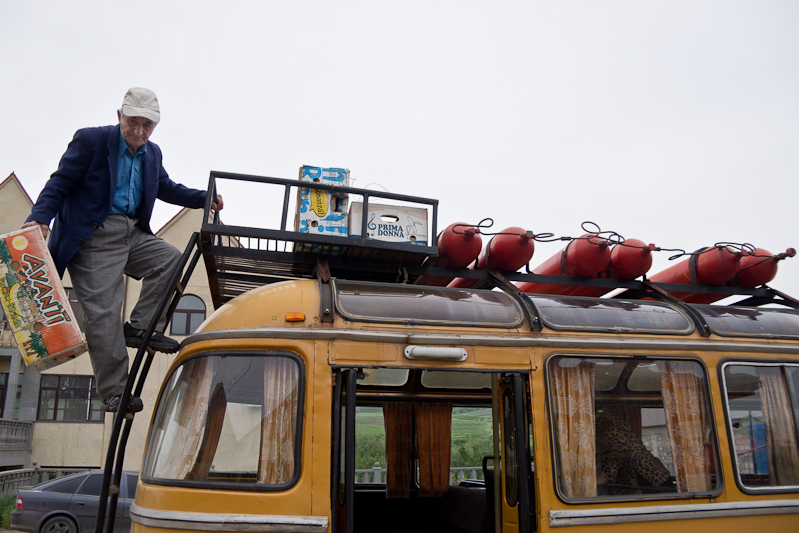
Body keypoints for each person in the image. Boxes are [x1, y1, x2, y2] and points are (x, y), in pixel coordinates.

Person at [22, 87, 223, 414]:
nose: (139, 131)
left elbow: (166, 188)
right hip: (93, 236)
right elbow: (60, 182)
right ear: (120, 117)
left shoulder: (152, 152)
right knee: (103, 314)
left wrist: (205, 198)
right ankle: (116, 393)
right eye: (133, 122)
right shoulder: (91, 141)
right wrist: (39, 218)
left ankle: (142, 327)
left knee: (171, 260)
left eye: (147, 126)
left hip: (133, 234)